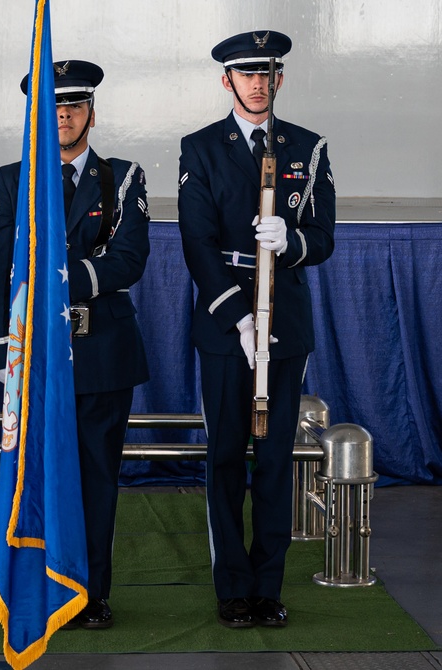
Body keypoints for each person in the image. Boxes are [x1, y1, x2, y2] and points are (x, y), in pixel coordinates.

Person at [0, 60, 150, 629]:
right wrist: (0, 353)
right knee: (39, 475)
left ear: (91, 114)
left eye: (75, 106)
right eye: (53, 107)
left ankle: (91, 590)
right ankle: (43, 583)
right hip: (34, 355)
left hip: (100, 349)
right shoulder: (13, 179)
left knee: (97, 477)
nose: (65, 115)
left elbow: (130, 260)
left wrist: (53, 274)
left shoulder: (122, 178)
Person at [177, 30, 335, 628]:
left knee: (274, 461)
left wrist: (291, 241)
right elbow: (197, 242)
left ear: (280, 79)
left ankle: (268, 586)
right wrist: (240, 317)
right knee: (224, 458)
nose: (258, 83)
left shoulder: (307, 147)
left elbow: (323, 235)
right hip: (226, 322)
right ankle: (232, 588)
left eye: (267, 73)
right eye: (246, 73)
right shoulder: (201, 148)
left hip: (286, 323)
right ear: (228, 81)